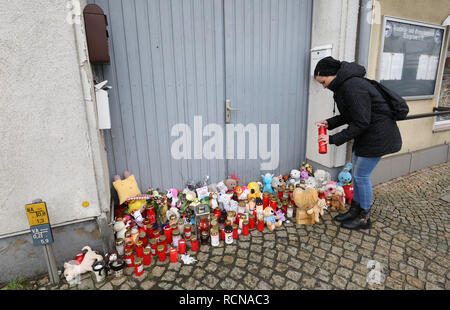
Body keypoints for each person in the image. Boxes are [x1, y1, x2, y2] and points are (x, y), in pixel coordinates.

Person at [313, 56, 403, 230]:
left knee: (362, 176)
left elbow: (361, 121)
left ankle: (364, 217)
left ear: (331, 75)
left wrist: (332, 139)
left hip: (378, 136)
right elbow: (350, 115)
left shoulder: (352, 87)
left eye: (323, 82)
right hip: (365, 135)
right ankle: (355, 210)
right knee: (357, 173)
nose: (324, 87)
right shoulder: (344, 86)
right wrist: (329, 123)